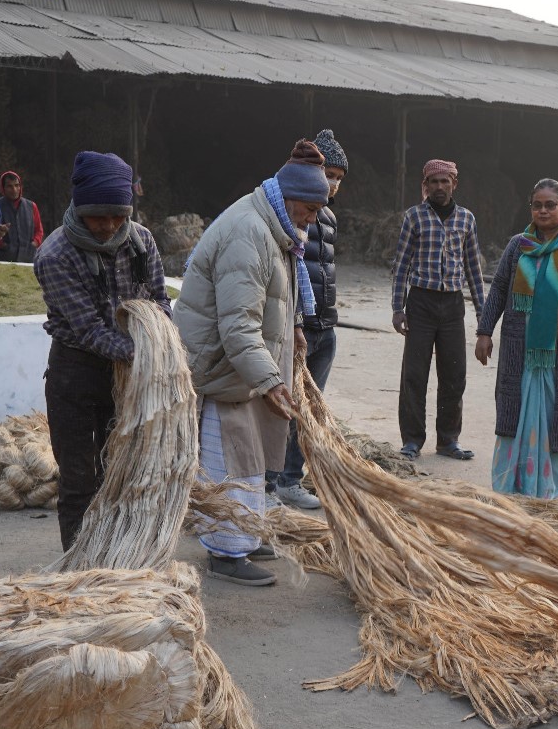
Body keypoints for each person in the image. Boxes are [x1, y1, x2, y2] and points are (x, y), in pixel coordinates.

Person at [175, 139, 330, 586]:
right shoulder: (249, 231)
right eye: (310, 209)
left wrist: (294, 330)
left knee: (254, 454)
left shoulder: (273, 225)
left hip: (241, 367)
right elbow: (239, 326)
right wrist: (269, 379)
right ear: (289, 199)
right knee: (232, 458)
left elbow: (274, 301)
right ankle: (226, 551)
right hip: (223, 366)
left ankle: (245, 532)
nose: (312, 219)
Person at [34, 151, 173, 550]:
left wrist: (159, 342)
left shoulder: (142, 241)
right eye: (98, 217)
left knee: (125, 470)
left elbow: (161, 300)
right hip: (76, 373)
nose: (108, 226)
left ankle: (120, 555)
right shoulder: (55, 255)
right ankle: (80, 568)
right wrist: (146, 353)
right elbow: (92, 331)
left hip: (130, 373)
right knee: (80, 479)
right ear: (79, 207)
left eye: (118, 216)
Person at [475, 178, 558, 497]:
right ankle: (509, 487)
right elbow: (498, 291)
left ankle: (552, 488)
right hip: (520, 353)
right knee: (514, 414)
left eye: (551, 204)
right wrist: (484, 331)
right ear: (531, 209)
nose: (544, 210)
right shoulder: (517, 246)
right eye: (538, 205)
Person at [268, 128, 347, 510]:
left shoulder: (328, 219)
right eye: (327, 174)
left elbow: (324, 272)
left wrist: (327, 318)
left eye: (337, 178)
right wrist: (296, 320)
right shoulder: (288, 212)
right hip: (295, 326)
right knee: (281, 405)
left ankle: (290, 480)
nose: (331, 184)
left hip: (324, 325)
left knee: (309, 410)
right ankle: (267, 481)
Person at [391, 158, 485, 462]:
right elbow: (401, 264)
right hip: (420, 303)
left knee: (454, 374)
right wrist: (398, 307)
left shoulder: (466, 220)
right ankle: (412, 441)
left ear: (454, 184)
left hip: (452, 306)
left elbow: (473, 268)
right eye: (434, 182)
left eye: (446, 182)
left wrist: (483, 315)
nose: (440, 187)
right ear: (426, 186)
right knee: (414, 375)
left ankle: (448, 440)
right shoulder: (414, 217)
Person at [0, 171, 45, 264]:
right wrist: (2, 245)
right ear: (3, 188)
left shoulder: (31, 206)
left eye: (16, 185)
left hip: (29, 258)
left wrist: (34, 243)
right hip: (4, 258)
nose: (14, 189)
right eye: (9, 186)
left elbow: (39, 230)